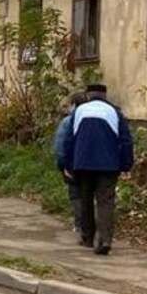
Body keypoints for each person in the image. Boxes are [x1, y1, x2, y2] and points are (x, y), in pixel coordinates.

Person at [58, 83, 133, 256]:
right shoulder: (115, 112)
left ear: (88, 95)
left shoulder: (79, 111)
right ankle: (105, 239)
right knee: (105, 201)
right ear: (104, 96)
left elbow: (69, 140)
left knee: (86, 200)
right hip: (108, 165)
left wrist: (67, 165)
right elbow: (125, 140)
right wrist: (126, 165)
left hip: (83, 163)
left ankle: (87, 237)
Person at [53, 92, 90, 242]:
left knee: (76, 194)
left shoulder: (68, 121)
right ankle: (92, 223)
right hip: (91, 163)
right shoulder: (91, 119)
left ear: (74, 105)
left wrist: (62, 165)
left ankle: (80, 224)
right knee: (89, 193)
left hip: (73, 163)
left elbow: (60, 145)